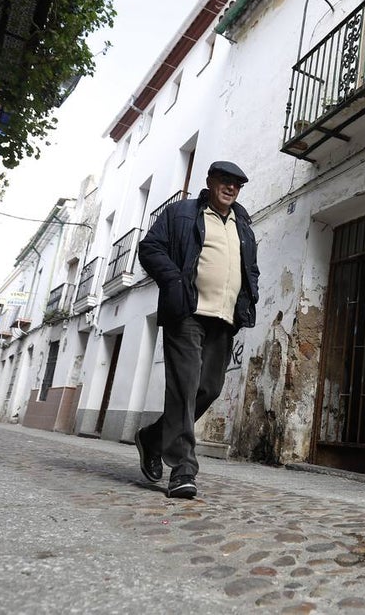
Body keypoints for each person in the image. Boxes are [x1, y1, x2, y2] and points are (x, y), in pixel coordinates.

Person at [136, 161, 259, 499]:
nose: (231, 188)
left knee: (209, 388)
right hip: (187, 312)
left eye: (237, 184)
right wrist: (175, 282)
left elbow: (249, 268)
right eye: (225, 180)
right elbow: (149, 248)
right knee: (185, 387)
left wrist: (247, 299)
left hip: (224, 317)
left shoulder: (243, 225)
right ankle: (183, 469)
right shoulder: (182, 213)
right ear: (210, 181)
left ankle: (152, 439)